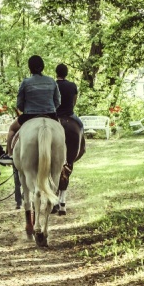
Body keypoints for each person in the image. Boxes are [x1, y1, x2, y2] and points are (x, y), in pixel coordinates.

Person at [0, 55, 61, 164]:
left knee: (12, 130)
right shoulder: (52, 81)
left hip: (30, 116)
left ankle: (9, 155)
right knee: (61, 131)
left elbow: (19, 104)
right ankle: (63, 158)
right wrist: (49, 108)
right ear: (43, 66)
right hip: (50, 114)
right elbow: (58, 101)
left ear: (30, 68)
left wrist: (25, 109)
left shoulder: (25, 82)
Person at [54, 63, 85, 216]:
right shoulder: (72, 85)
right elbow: (74, 102)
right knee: (80, 126)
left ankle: (53, 200)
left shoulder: (52, 85)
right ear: (66, 74)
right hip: (70, 116)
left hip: (54, 117)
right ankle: (63, 201)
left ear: (56, 73)